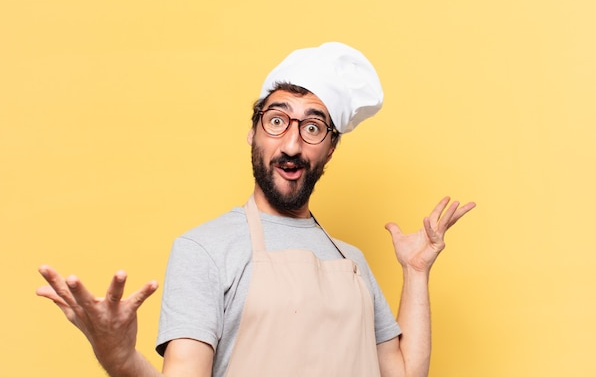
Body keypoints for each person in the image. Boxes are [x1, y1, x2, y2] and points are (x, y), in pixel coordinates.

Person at [37, 42, 475, 377]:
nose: (291, 144)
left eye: (313, 127)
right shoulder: (203, 249)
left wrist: (416, 273)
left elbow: (402, 372)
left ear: (330, 150)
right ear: (253, 132)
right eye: (277, 120)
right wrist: (121, 360)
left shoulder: (352, 262)